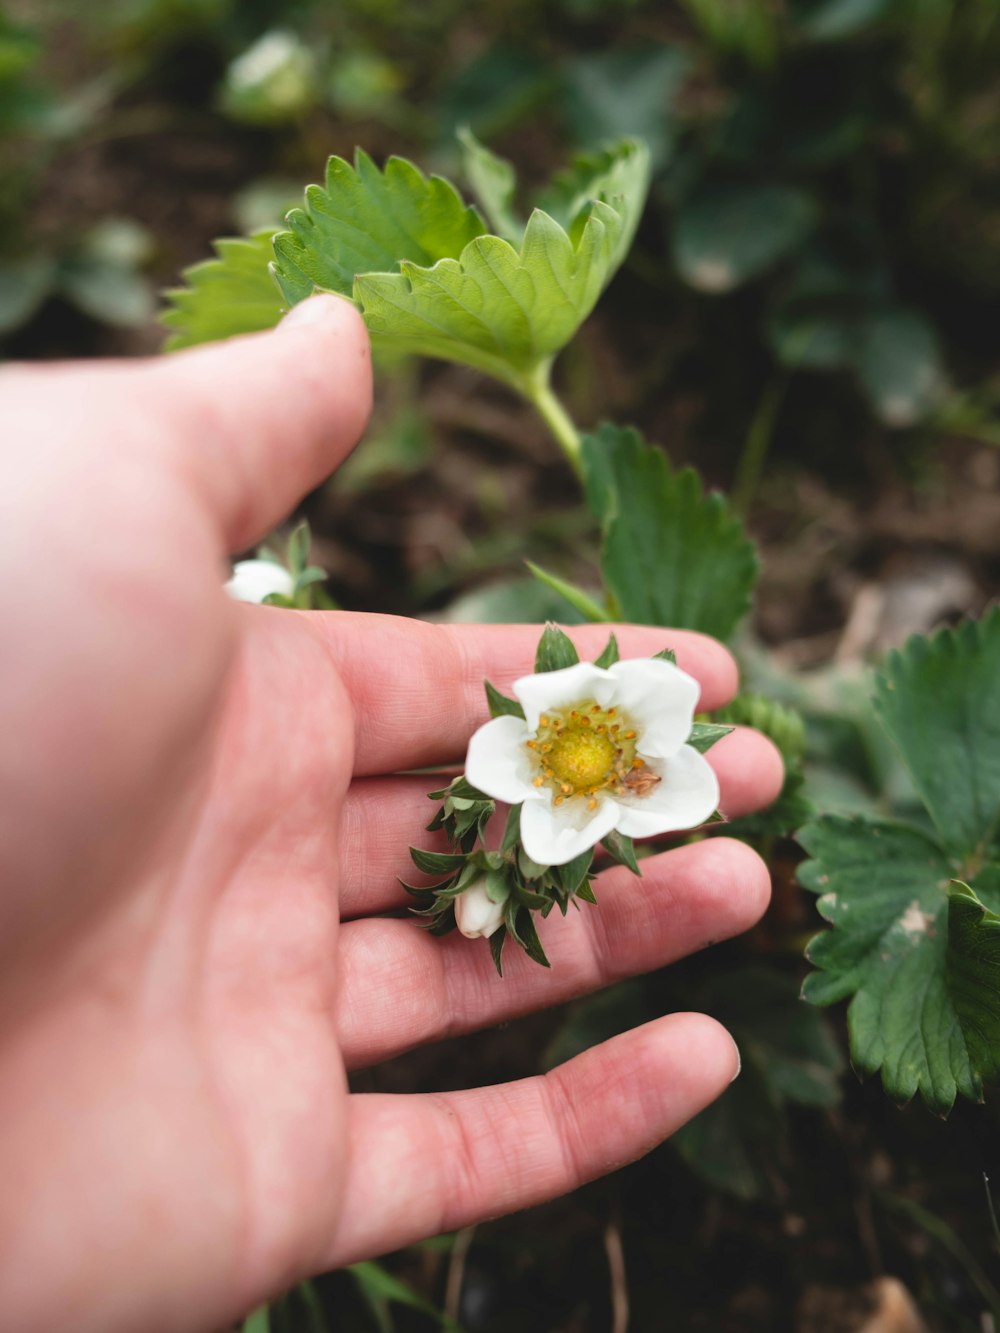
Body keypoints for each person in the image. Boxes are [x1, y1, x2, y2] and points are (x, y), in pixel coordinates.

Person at [0, 294, 784, 1332]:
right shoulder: (523, 758)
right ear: (557, 727)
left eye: (602, 754)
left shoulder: (580, 766)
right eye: (575, 740)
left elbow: (589, 794)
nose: (593, 758)